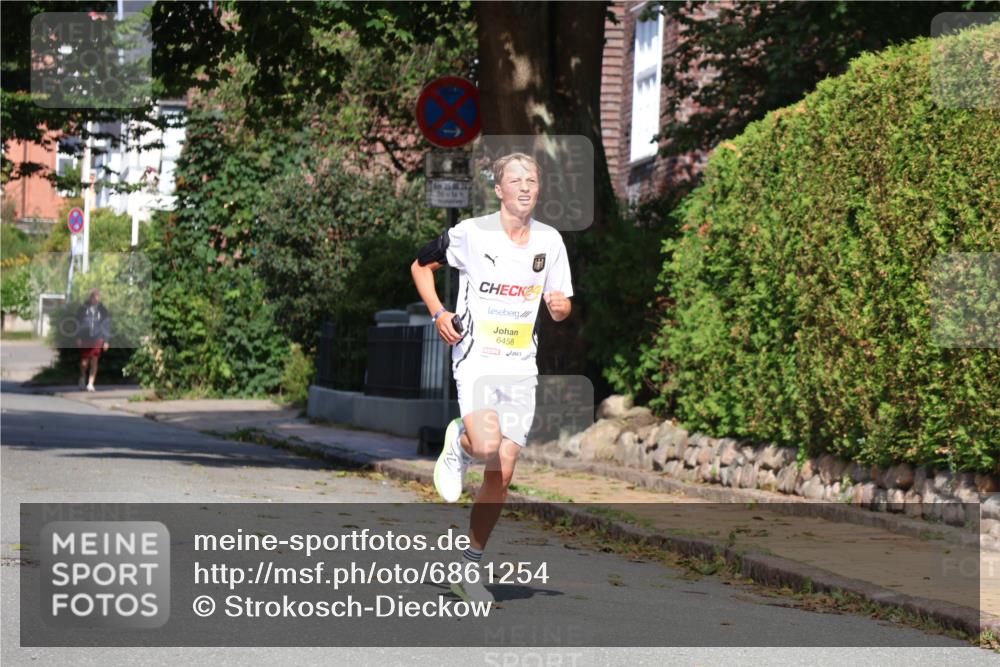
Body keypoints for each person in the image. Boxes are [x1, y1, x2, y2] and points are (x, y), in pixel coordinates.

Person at [410, 152, 573, 606]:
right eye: (515, 180)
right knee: (486, 446)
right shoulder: (470, 234)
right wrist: (439, 313)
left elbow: (561, 304)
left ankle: (469, 568)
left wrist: (560, 307)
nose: (524, 186)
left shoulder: (550, 242)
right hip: (477, 357)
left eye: (532, 180)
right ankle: (461, 442)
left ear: (539, 189)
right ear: (499, 190)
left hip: (521, 365)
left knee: (503, 471)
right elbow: (420, 266)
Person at [75, 288, 111, 392]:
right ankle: (82, 378)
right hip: (85, 337)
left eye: (97, 296)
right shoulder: (83, 309)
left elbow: (106, 325)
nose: (95, 298)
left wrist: (106, 340)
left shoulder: (103, 310)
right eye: (93, 296)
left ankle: (90, 383)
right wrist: (78, 337)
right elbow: (77, 323)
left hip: (98, 337)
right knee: (84, 361)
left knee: (94, 360)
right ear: (90, 297)